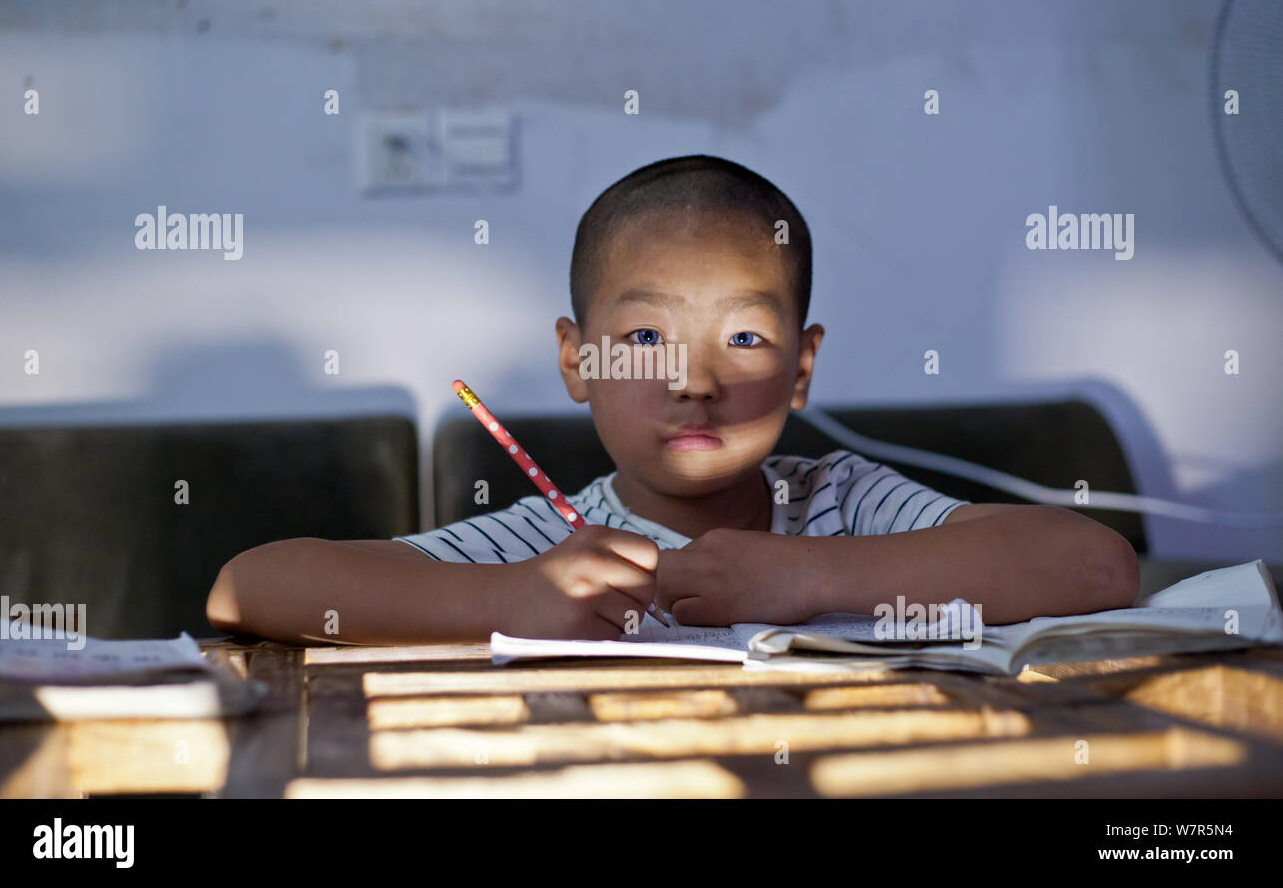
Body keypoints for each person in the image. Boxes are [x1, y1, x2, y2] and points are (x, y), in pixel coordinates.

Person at [206, 155, 1138, 645]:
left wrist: (808, 579)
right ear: (578, 362)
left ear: (803, 367)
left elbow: (1096, 571)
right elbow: (246, 588)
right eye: (647, 338)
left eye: (745, 337)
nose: (697, 380)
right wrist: (506, 599)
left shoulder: (844, 504)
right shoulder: (550, 545)